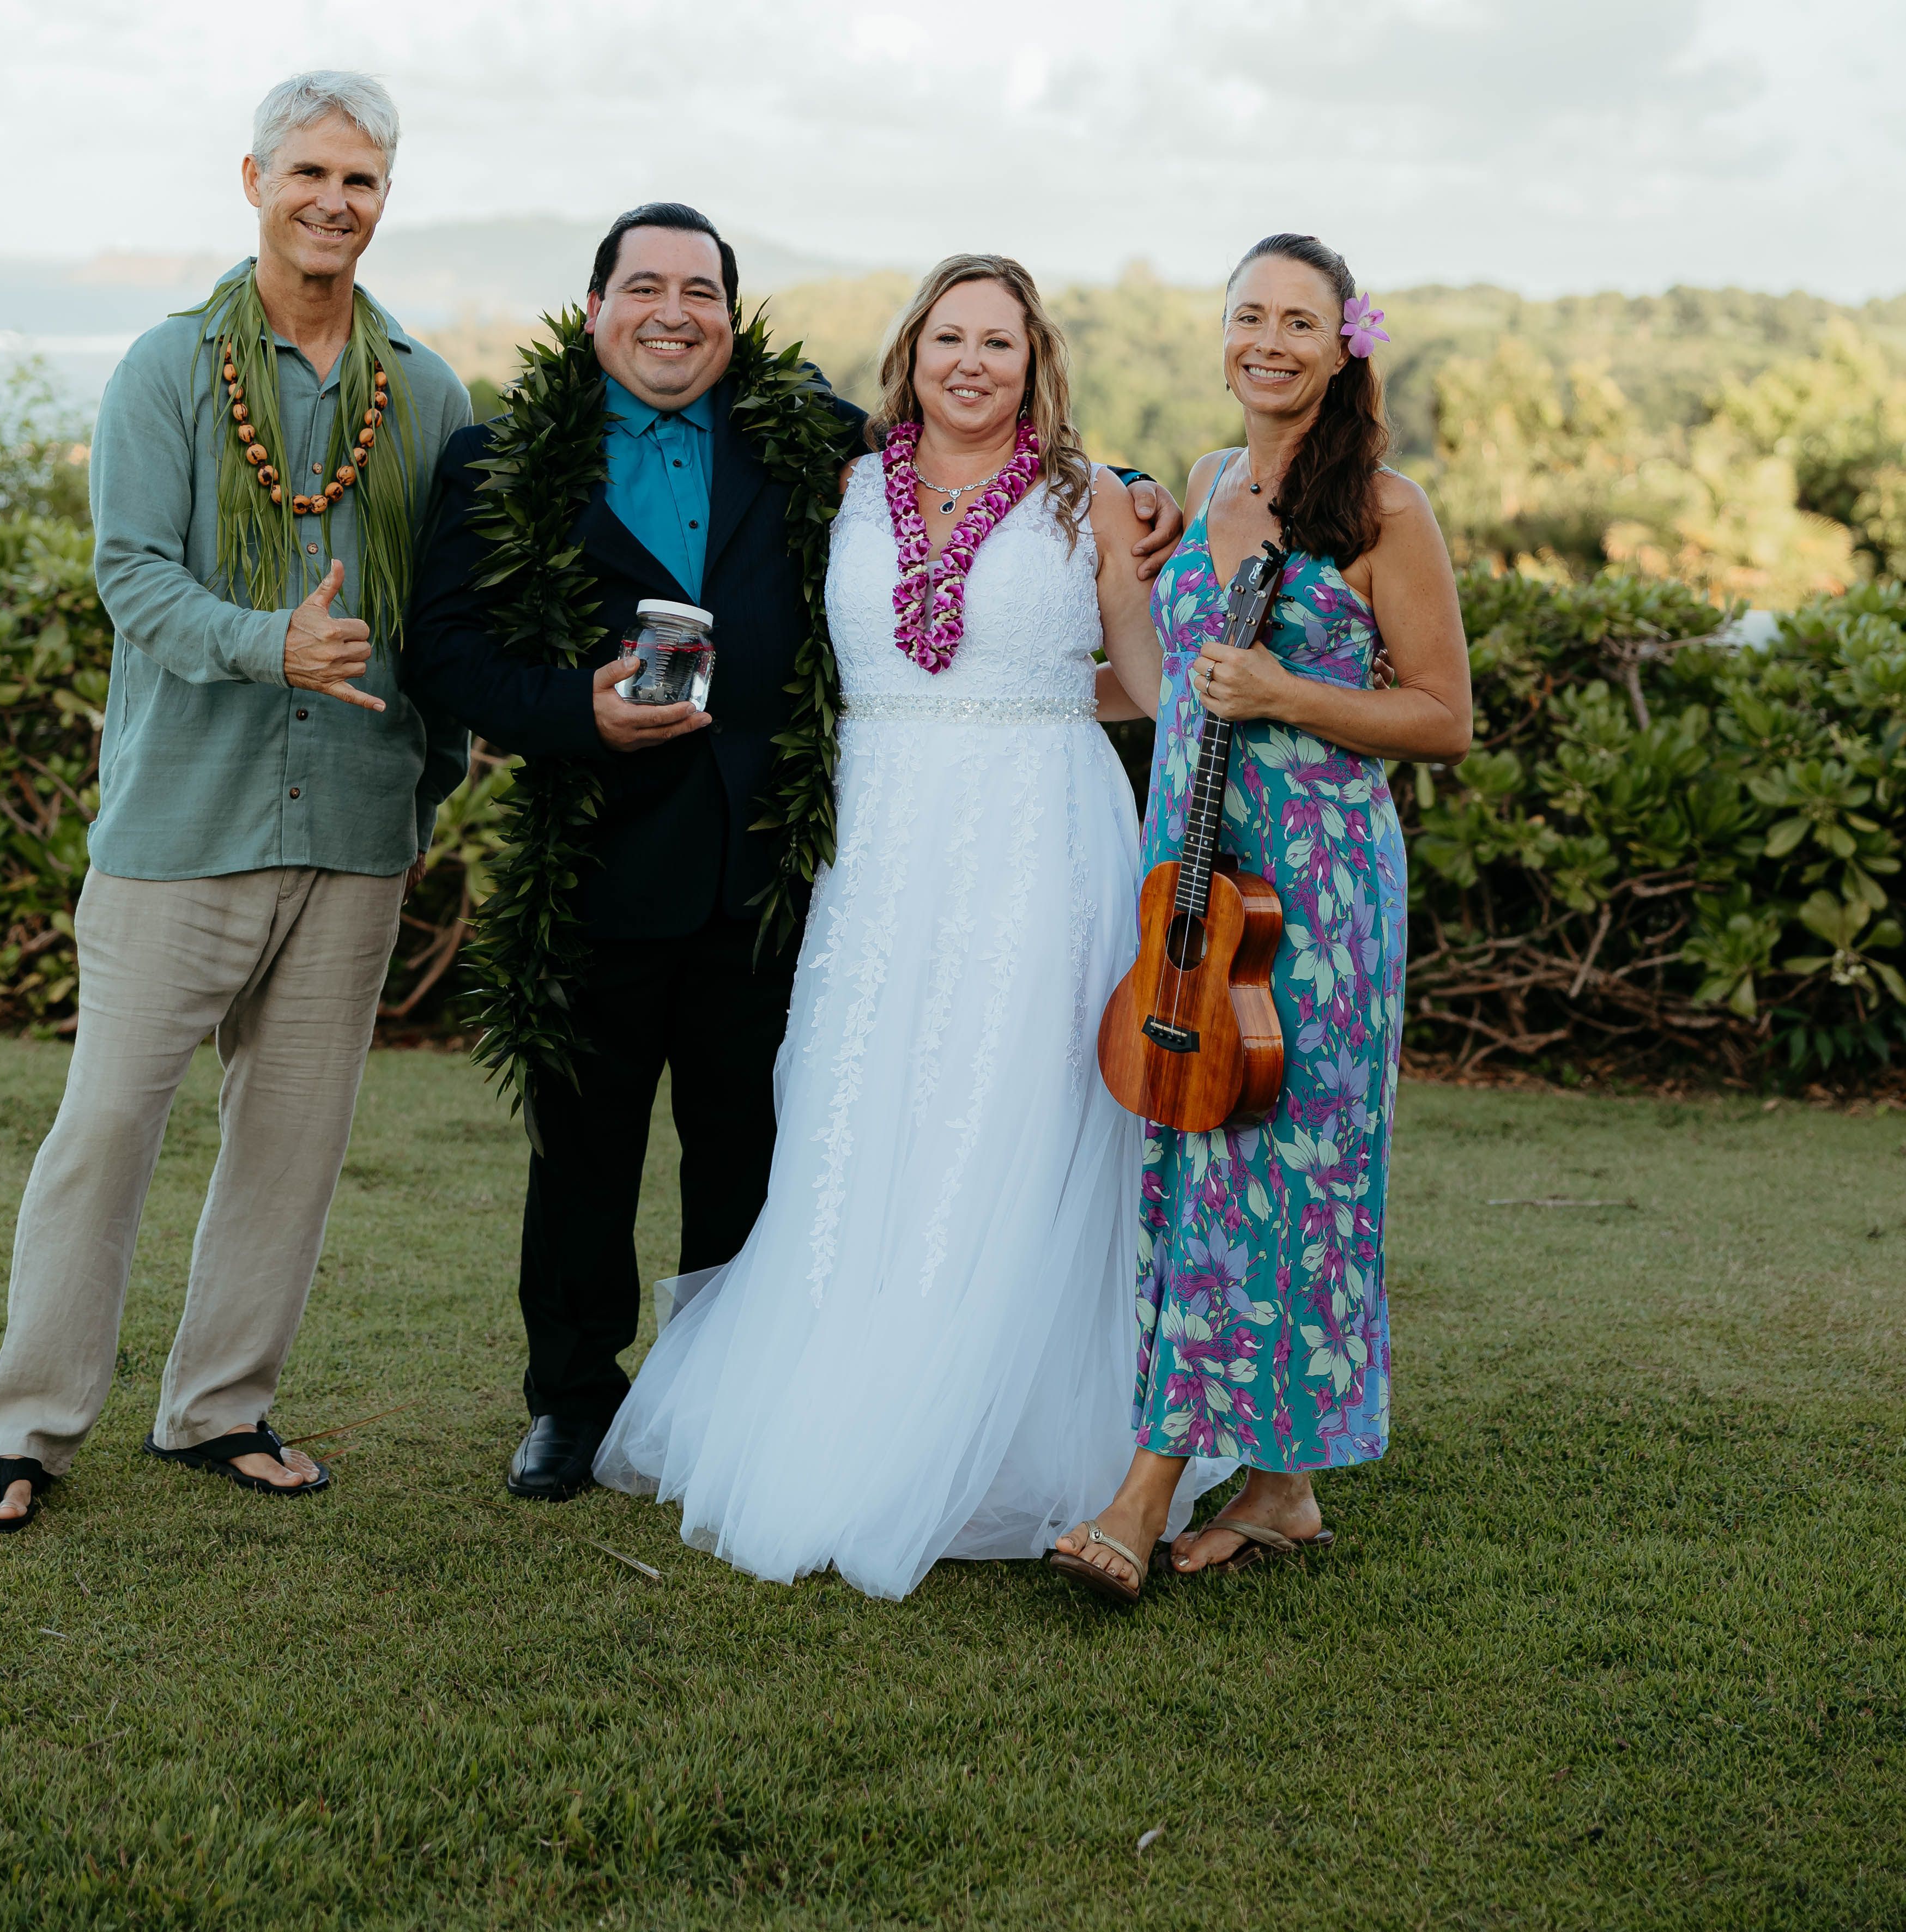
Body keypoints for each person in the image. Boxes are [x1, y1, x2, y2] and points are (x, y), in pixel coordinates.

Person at [403, 210, 1187, 1506]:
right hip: (600, 853)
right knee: (583, 1151)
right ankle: (570, 1400)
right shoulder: (504, 456)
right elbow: (444, 652)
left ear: (732, 310)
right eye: (643, 287)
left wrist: (1137, 487)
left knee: (764, 1145)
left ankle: (735, 1392)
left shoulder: (805, 437)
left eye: (700, 290)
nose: (673, 312)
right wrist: (575, 712)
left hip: (782, 863)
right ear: (594, 306)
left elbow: (988, 456)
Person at [592, 253, 1233, 1595]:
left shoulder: (1096, 501)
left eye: (999, 342)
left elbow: (1150, 683)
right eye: (950, 338)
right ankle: (846, 1399)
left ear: (1036, 360)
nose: (971, 364)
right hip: (879, 845)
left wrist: (1050, 705)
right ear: (911, 354)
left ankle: (999, 1428)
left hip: (1038, 845)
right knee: (856, 1098)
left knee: (1013, 1105)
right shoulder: (839, 488)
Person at [0, 72, 469, 1534]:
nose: (334, 202)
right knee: (106, 1128)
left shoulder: (427, 393)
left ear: (384, 199)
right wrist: (267, 644)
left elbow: (445, 623)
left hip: (354, 830)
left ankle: (219, 1407)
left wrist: (424, 791)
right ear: (253, 181)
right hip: (182, 825)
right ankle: (25, 1429)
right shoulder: (166, 368)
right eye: (310, 172)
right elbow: (132, 575)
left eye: (361, 180)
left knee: (291, 1148)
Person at [1049, 231, 1471, 1606]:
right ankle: (1284, 1485)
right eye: (1249, 316)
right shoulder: (1208, 480)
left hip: (1319, 899)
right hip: (1195, 870)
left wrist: (1289, 695)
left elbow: (1444, 717)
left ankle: (1143, 1491)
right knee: (1196, 1154)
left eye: (1299, 320)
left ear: (1345, 344)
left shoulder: (1387, 510)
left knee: (1282, 1170)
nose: (1268, 342)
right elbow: (1172, 678)